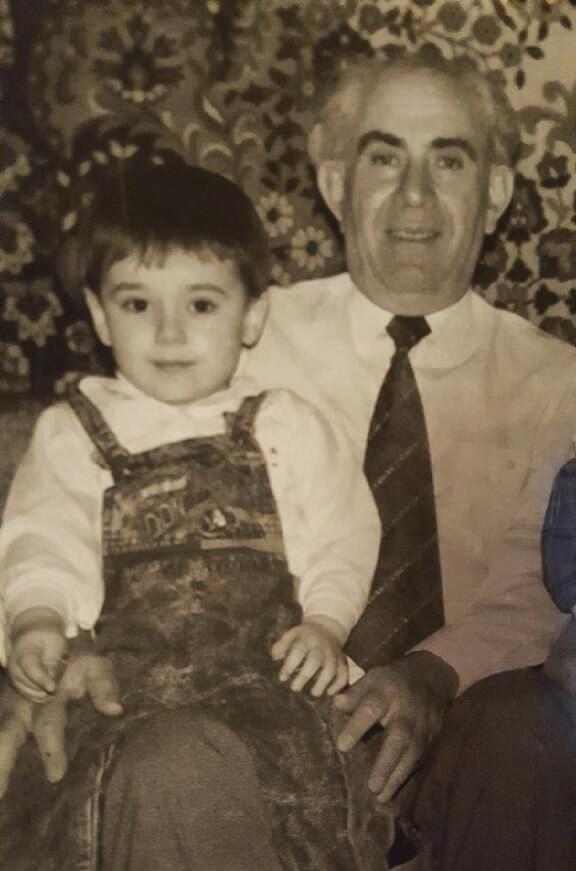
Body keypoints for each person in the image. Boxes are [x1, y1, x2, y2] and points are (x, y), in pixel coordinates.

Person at [1, 50, 576, 871]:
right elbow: (77, 509)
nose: (415, 195)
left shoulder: (561, 381)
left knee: (533, 737)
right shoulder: (221, 328)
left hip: (468, 722)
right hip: (247, 704)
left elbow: (543, 588)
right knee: (180, 766)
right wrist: (51, 635)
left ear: (496, 193)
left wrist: (428, 673)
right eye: (383, 157)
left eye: (450, 159)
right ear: (335, 181)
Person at [0, 161, 386, 870]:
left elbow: (343, 530)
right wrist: (37, 618)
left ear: (253, 315)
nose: (170, 332)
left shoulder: (285, 423)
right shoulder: (75, 429)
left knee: (272, 814)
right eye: (138, 304)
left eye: (202, 304)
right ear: (97, 313)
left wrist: (326, 621)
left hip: (263, 693)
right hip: (124, 695)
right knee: (121, 795)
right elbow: (40, 535)